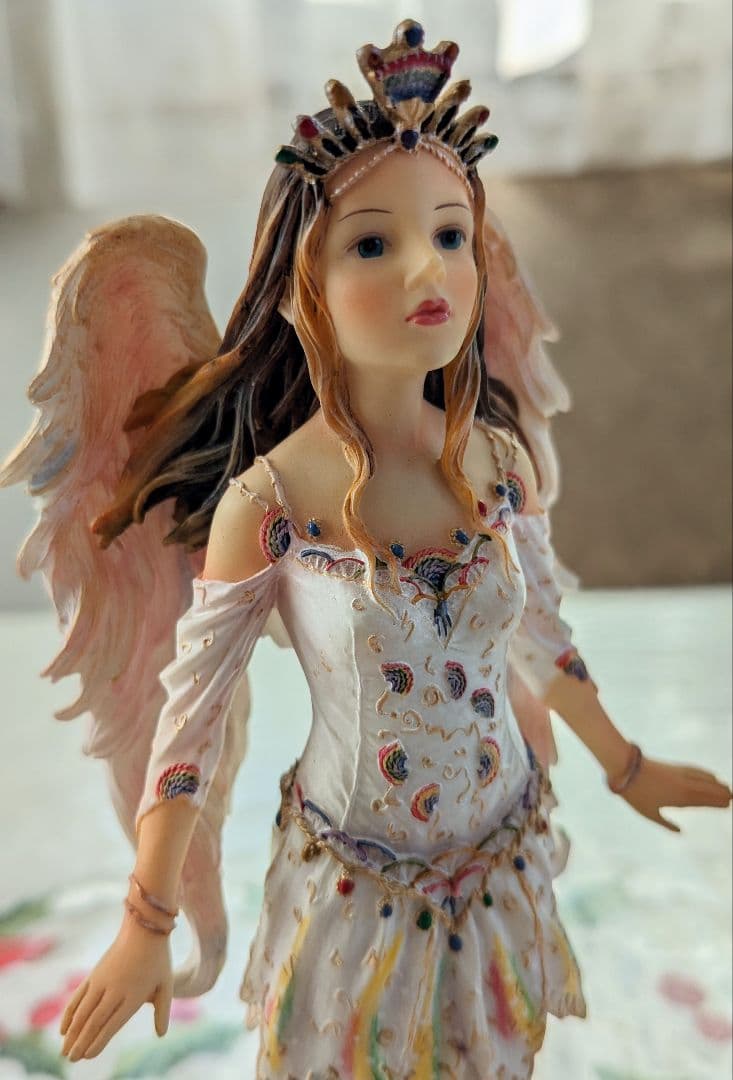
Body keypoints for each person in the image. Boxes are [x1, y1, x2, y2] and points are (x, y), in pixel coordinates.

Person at [2, 19, 730, 1080]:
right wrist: (148, 918)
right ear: (306, 281)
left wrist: (624, 764)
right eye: (374, 244)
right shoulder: (270, 503)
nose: (427, 268)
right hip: (358, 900)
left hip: (500, 867)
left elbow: (538, 634)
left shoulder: (496, 461)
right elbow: (187, 725)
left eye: (450, 234)